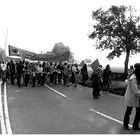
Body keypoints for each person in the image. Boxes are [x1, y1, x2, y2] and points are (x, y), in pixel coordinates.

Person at [123, 63, 140, 130]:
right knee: (128, 111)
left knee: (138, 112)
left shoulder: (137, 76)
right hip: (131, 97)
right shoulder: (133, 78)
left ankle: (135, 126)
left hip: (136, 97)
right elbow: (136, 90)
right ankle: (125, 125)